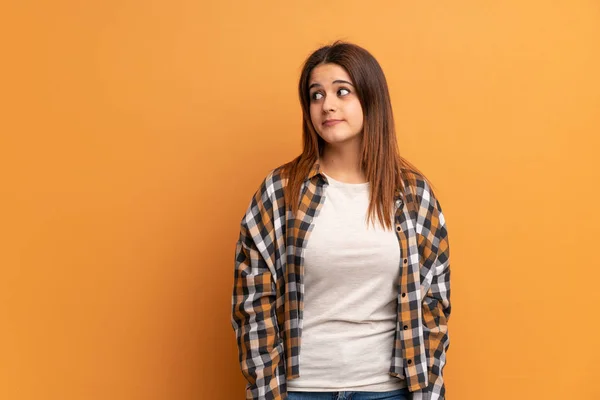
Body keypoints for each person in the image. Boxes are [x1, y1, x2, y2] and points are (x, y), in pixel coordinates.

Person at [231, 41, 451, 400]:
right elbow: (253, 302)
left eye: (341, 92)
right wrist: (267, 392)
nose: (327, 105)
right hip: (301, 390)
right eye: (316, 96)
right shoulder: (280, 191)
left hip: (388, 391)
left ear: (370, 98)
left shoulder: (412, 195)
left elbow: (433, 306)